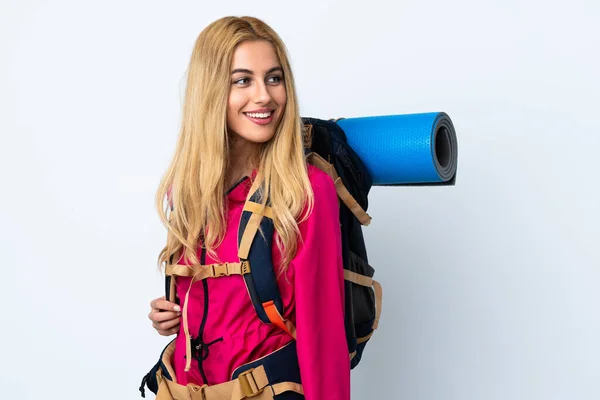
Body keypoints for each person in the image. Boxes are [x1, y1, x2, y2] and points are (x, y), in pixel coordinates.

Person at [146, 16, 350, 400]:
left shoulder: (304, 192)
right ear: (210, 91)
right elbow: (218, 303)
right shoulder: (186, 190)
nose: (264, 96)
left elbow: (322, 337)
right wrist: (172, 315)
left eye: (274, 78)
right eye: (243, 80)